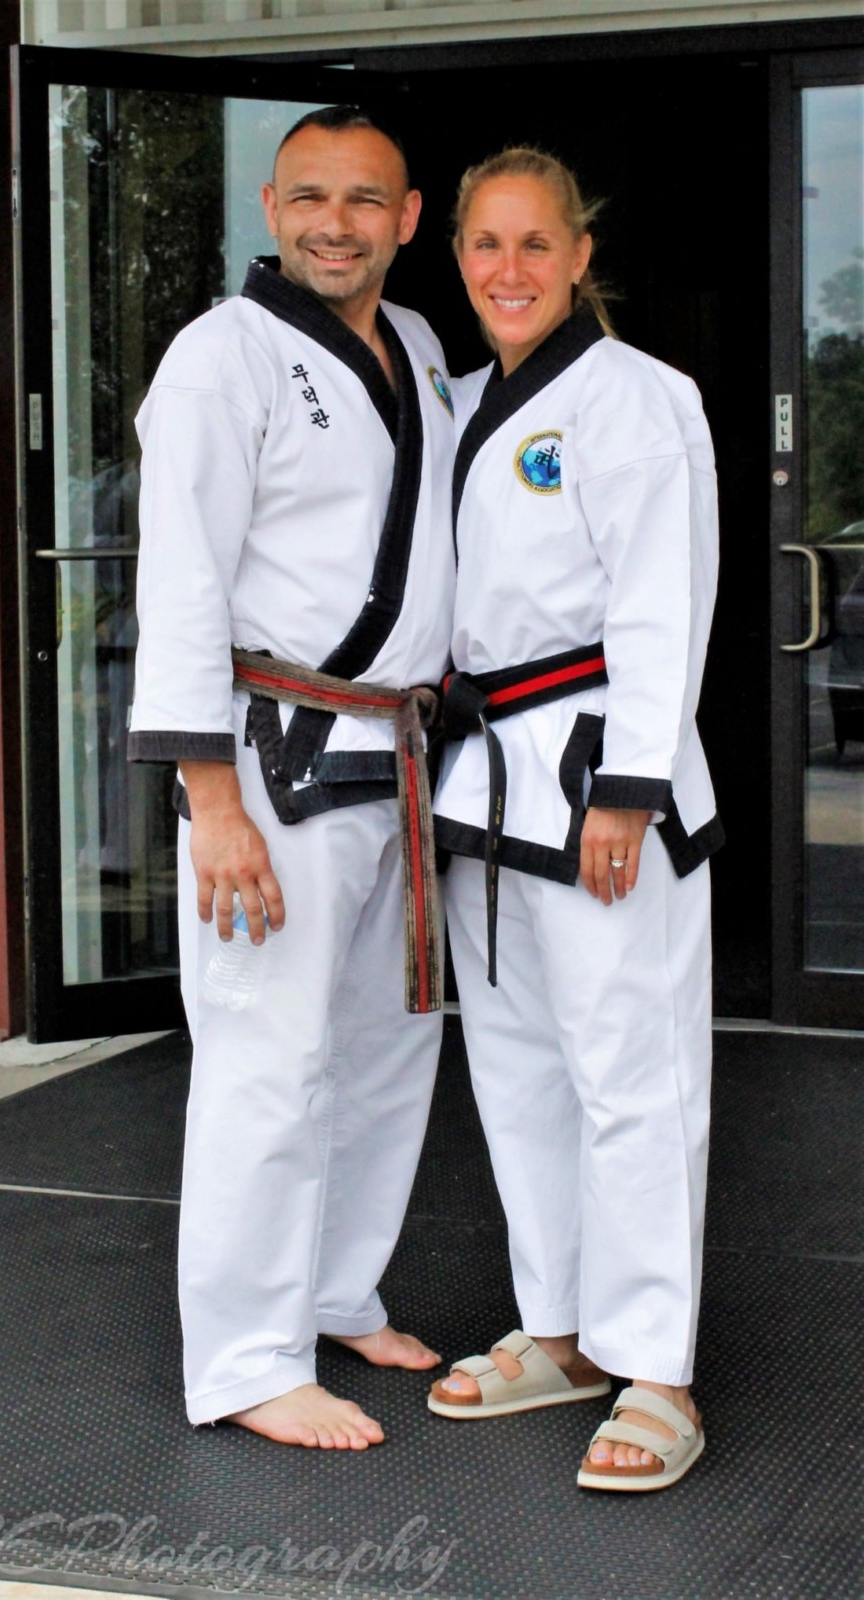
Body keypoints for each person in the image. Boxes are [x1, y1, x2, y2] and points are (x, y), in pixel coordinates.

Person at [127, 107, 457, 1450]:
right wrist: (211, 804)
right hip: (275, 756)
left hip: (404, 749)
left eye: (366, 200)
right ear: (270, 207)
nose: (337, 222)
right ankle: (250, 1357)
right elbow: (184, 580)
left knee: (384, 1048)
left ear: (408, 216)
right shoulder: (223, 356)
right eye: (311, 197)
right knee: (270, 1058)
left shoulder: (423, 347)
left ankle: (333, 1289)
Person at [428, 148, 722, 1491]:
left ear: (579, 253)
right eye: (486, 244)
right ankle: (560, 1330)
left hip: (602, 763)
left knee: (631, 1078)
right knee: (520, 1072)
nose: (507, 270)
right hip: (484, 774)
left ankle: (654, 1367)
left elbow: (664, 602)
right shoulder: (456, 402)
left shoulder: (636, 401)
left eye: (533, 243)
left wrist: (628, 786)